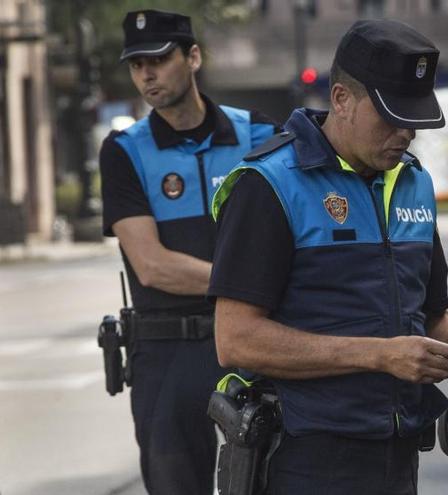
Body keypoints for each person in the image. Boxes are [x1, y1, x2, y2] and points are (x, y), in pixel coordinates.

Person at [208, 19, 448, 494]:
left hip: (398, 451)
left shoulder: (414, 181)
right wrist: (380, 355)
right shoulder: (269, 186)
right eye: (391, 117)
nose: (406, 132)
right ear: (342, 100)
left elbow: (430, 316)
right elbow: (236, 340)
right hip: (305, 457)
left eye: (415, 118)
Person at [98, 9, 277, 495]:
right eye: (136, 65)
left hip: (252, 340)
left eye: (158, 58)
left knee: (273, 477)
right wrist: (249, 282)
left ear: (193, 57)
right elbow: (153, 267)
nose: (147, 74)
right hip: (167, 352)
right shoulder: (124, 151)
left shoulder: (258, 135)